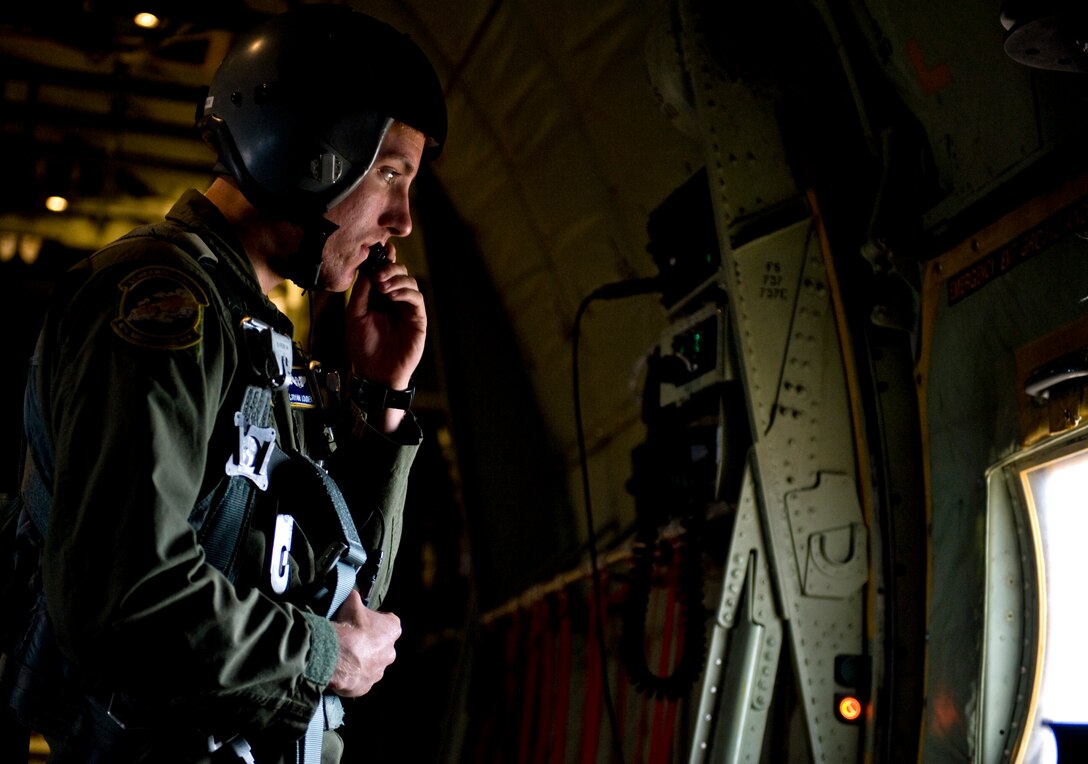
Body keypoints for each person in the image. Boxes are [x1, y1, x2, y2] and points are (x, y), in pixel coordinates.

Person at [0, 5, 447, 763]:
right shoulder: (162, 307)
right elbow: (121, 592)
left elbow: (341, 592)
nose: (402, 220)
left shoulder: (253, 332)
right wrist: (323, 659)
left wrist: (382, 400)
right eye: (391, 173)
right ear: (313, 152)